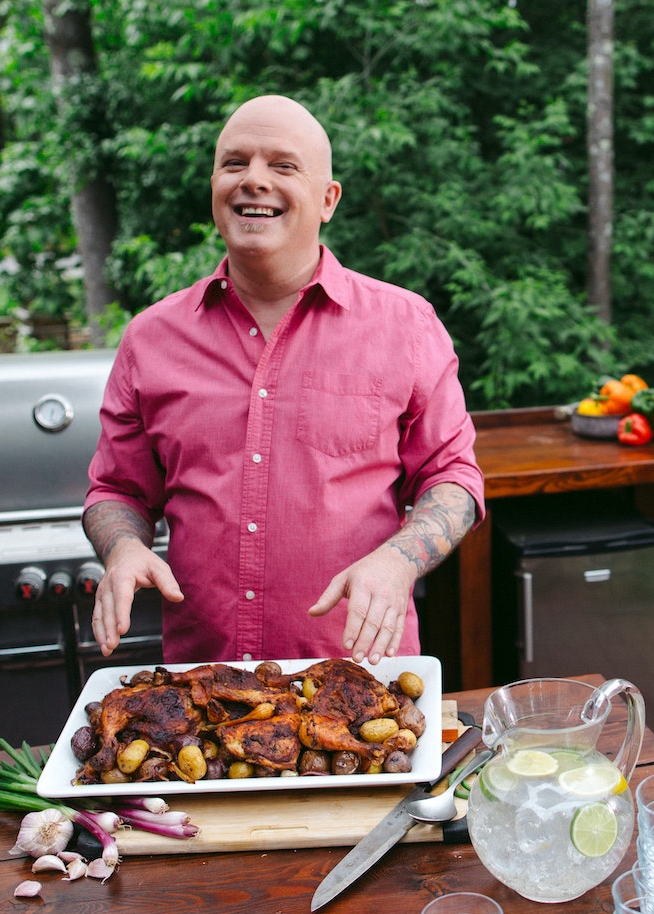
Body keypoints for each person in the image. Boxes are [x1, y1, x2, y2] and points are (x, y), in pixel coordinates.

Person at [83, 94, 484, 666]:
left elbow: (454, 478)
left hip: (361, 682)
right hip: (203, 688)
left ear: (328, 199)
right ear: (214, 187)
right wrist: (121, 548)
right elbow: (117, 490)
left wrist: (400, 558)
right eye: (234, 163)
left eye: (283, 166)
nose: (254, 181)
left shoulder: (406, 326)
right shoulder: (151, 338)